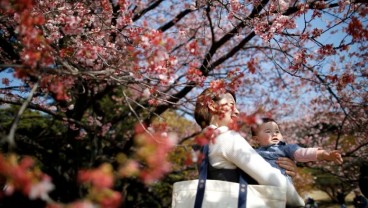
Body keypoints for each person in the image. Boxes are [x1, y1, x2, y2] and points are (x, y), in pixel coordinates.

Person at [194, 88, 305, 206]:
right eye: (232, 105)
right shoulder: (225, 136)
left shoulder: (201, 143)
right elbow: (270, 177)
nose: (236, 111)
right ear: (212, 105)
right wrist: (298, 202)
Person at [251, 118, 343, 182]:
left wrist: (324, 154)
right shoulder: (252, 152)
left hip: (281, 184)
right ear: (256, 139)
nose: (274, 134)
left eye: (277, 131)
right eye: (268, 131)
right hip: (260, 184)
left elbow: (302, 153)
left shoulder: (284, 148)